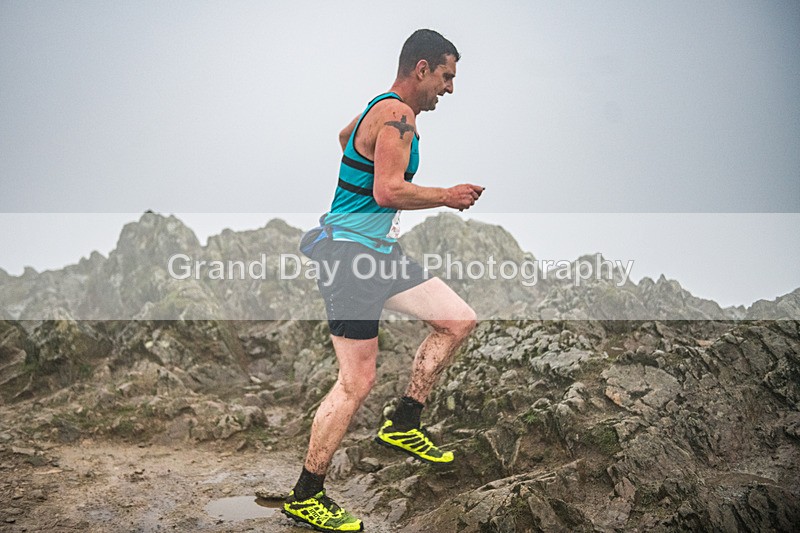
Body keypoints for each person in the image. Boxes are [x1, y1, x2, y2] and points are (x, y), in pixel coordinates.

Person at [282, 29, 484, 532]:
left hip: (379, 255)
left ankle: (404, 422)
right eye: (446, 76)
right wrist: (447, 195)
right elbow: (389, 190)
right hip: (348, 259)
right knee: (356, 382)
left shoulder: (384, 111)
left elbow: (344, 137)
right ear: (421, 69)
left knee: (457, 320)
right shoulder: (397, 115)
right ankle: (307, 494)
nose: (450, 89)